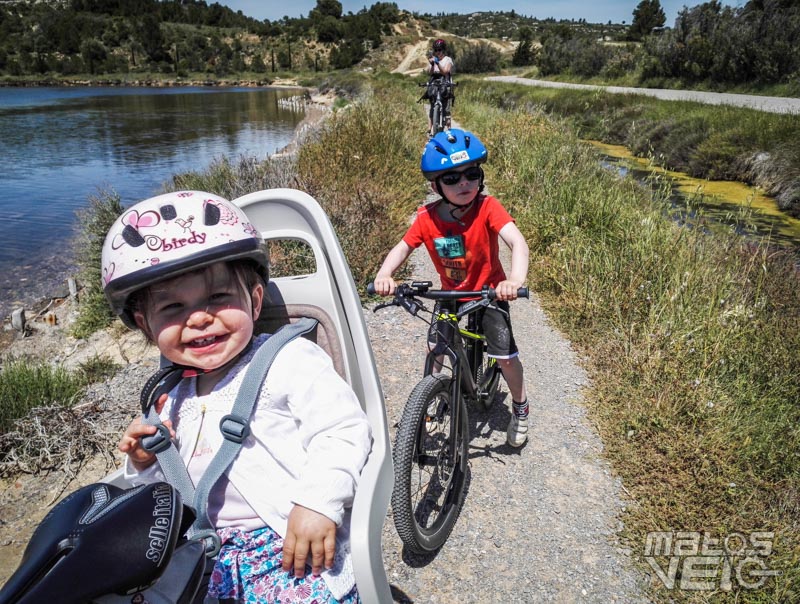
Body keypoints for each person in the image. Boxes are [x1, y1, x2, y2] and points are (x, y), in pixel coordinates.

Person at [102, 190, 371, 603]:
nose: (197, 317)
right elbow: (172, 489)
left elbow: (343, 430)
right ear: (145, 325)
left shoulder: (288, 361)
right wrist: (145, 463)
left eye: (218, 298)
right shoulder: (169, 392)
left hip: (286, 543)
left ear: (255, 300)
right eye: (172, 308)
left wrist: (318, 502)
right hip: (194, 553)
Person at [373, 129, 531, 448]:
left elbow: (517, 242)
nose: (464, 184)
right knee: (436, 349)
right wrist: (385, 273)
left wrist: (514, 281)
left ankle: (521, 406)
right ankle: (429, 402)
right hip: (451, 297)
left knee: (505, 356)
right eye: (452, 178)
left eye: (472, 174)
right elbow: (402, 248)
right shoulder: (426, 218)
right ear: (436, 186)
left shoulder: (488, 207)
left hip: (490, 293)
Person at [426, 38, 454, 133]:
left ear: (443, 50)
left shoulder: (448, 60)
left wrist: (438, 63)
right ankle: (429, 130)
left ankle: (449, 130)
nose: (437, 52)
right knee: (432, 106)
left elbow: (445, 72)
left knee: (446, 109)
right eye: (436, 50)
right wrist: (433, 64)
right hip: (434, 86)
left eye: (439, 50)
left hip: (445, 85)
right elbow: (430, 73)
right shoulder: (433, 60)